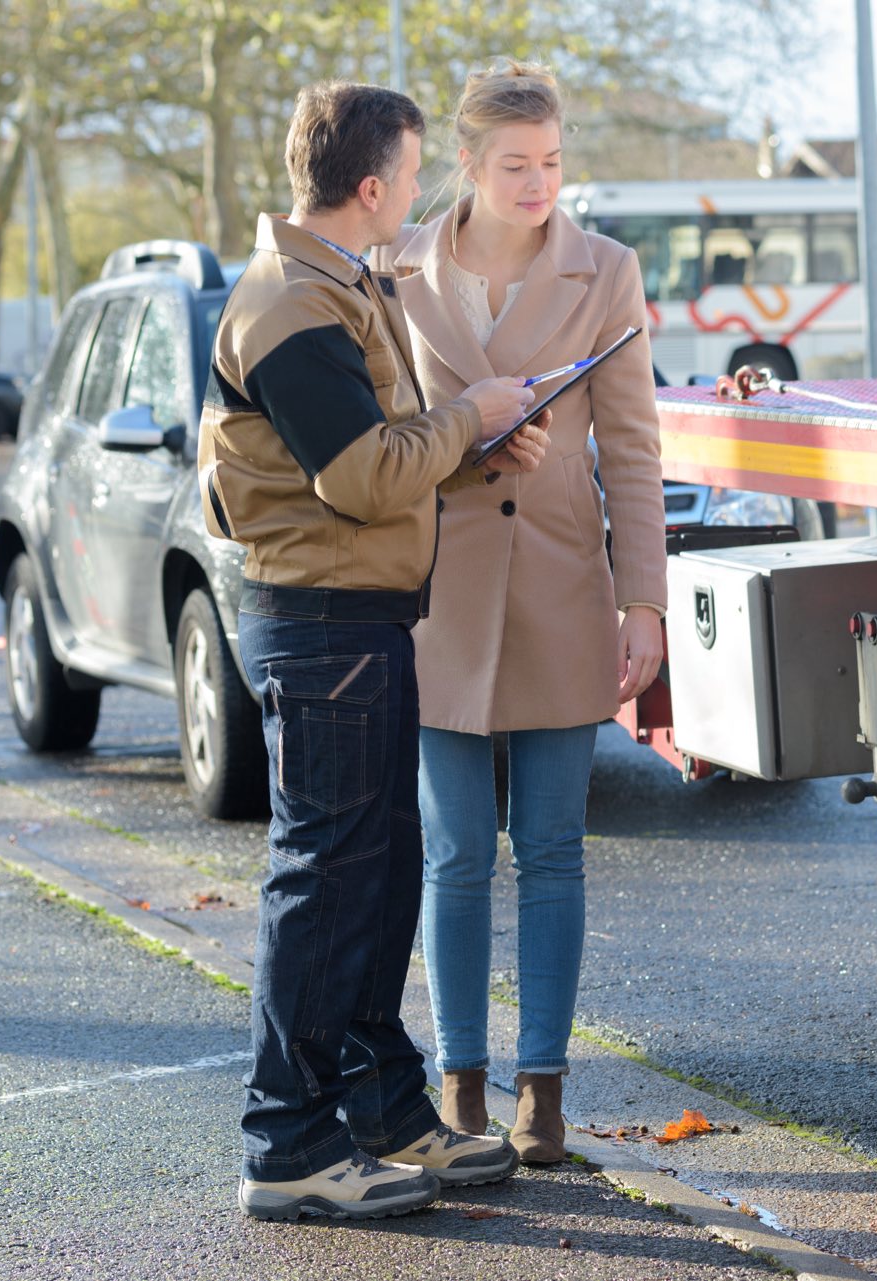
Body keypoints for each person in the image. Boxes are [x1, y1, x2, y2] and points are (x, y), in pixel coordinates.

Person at [198, 80, 551, 1223]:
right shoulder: (292, 304)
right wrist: (475, 413)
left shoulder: (336, 284)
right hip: (324, 624)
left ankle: (386, 1112)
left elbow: (380, 453)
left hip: (359, 620)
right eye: (410, 173)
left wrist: (473, 445)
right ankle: (287, 1144)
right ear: (370, 185)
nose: (419, 190)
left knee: (375, 875)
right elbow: (358, 476)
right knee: (325, 884)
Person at [370, 60, 667, 1165]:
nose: (540, 183)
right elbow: (375, 430)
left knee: (552, 850)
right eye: (516, 166)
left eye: (552, 162)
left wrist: (643, 599)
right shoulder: (396, 267)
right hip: (434, 594)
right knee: (452, 855)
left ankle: (543, 1094)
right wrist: (465, 436)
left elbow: (632, 448)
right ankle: (461, 1089)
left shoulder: (608, 271)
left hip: (558, 590)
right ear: (468, 163)